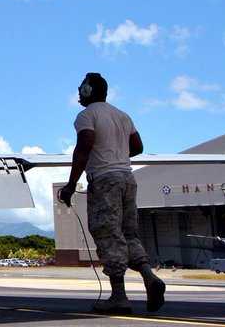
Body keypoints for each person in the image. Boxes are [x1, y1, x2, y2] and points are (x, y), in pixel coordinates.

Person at [58, 72, 165, 314]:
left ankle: (119, 296)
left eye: (81, 88)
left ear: (88, 91)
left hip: (105, 180)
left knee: (108, 234)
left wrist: (71, 183)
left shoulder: (87, 115)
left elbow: (84, 146)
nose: (78, 92)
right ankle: (149, 278)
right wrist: (117, 154)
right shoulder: (123, 115)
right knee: (129, 234)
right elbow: (137, 147)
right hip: (127, 178)